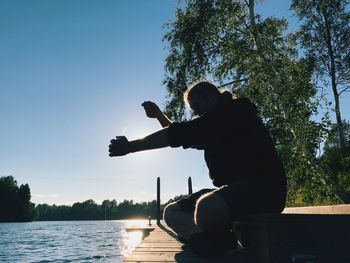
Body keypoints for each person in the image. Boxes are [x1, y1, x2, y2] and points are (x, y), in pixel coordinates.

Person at [109, 81, 287, 256]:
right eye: (193, 110)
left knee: (206, 207)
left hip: (265, 191)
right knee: (171, 212)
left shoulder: (235, 113)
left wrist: (129, 147)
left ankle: (211, 240)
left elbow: (181, 133)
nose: (197, 113)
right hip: (234, 193)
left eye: (197, 106)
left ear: (211, 97)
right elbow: (184, 133)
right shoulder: (212, 125)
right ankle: (217, 241)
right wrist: (159, 116)